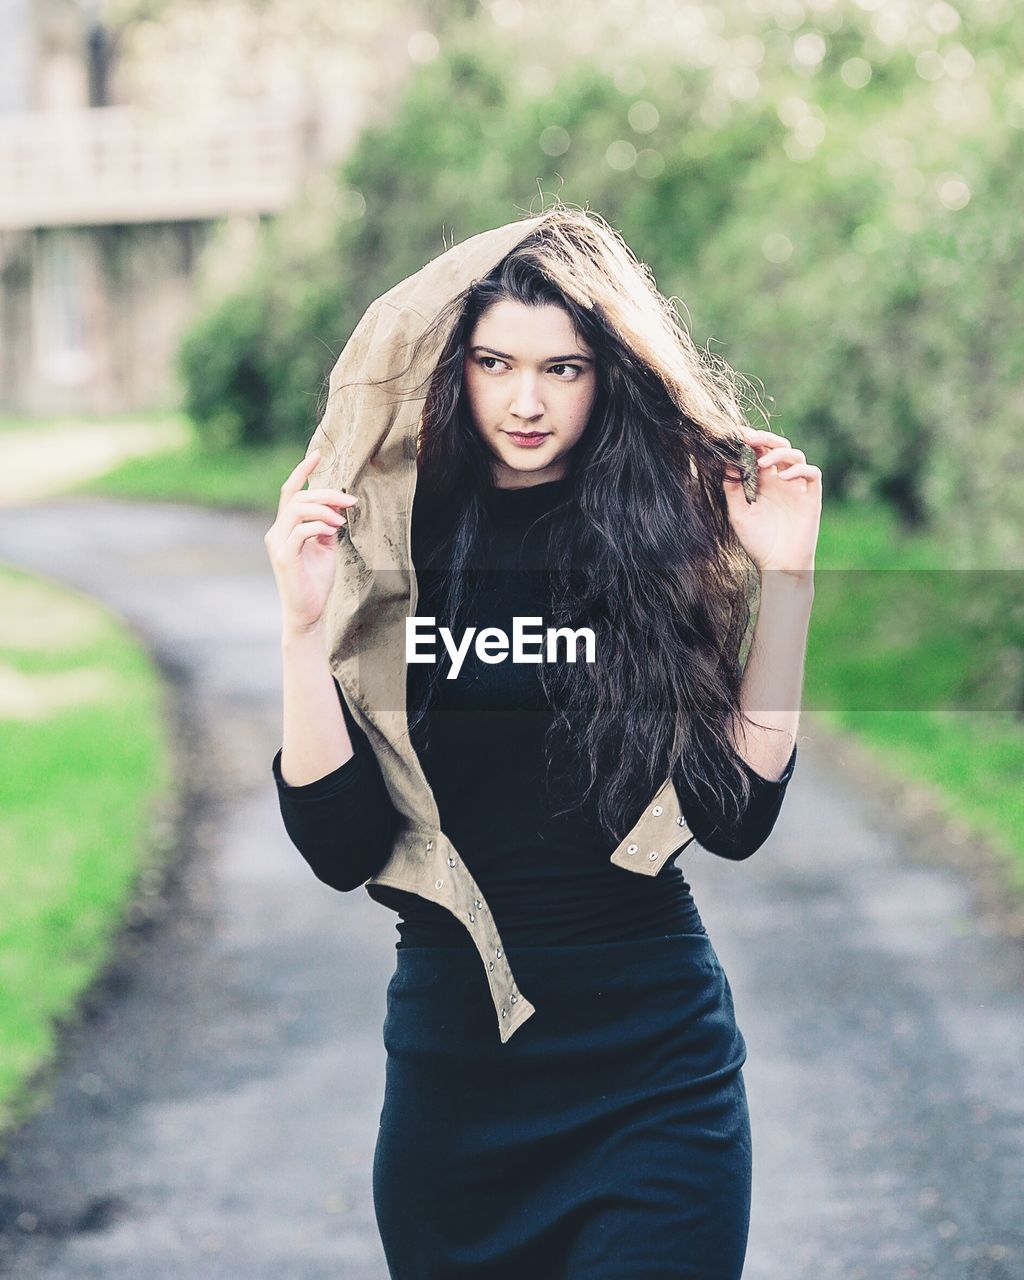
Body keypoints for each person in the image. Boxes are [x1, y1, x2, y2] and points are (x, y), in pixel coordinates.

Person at [263, 204, 821, 1279]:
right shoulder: (395, 544)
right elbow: (341, 846)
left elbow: (735, 817)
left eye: (563, 368)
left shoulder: (658, 537)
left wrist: (785, 581)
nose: (527, 400)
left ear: (606, 374)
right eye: (494, 362)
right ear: (451, 368)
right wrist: (298, 630)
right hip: (453, 1089)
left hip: (654, 1073)